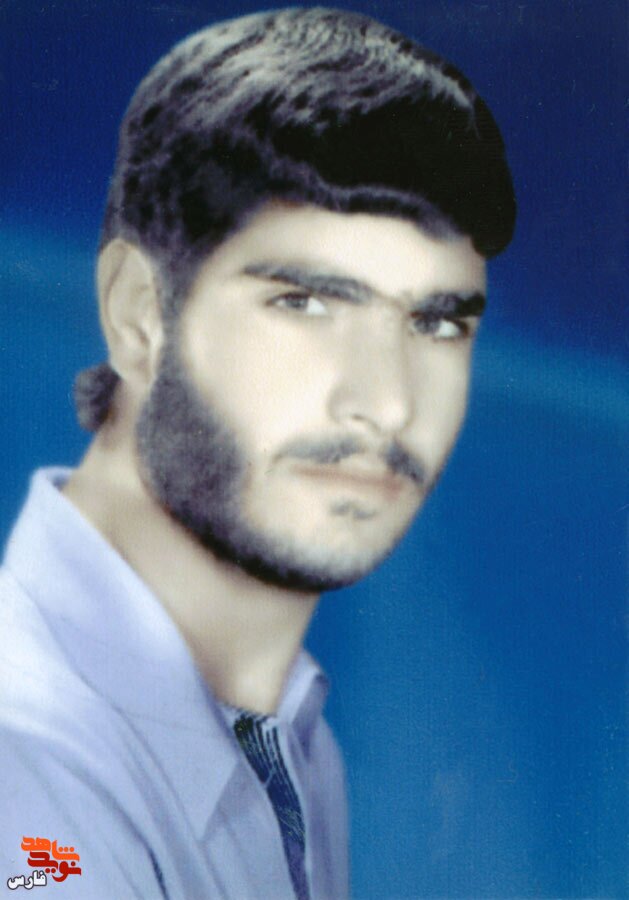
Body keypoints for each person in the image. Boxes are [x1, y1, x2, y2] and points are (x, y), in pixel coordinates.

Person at [0, 7, 515, 899]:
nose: (387, 403)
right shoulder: (29, 765)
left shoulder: (290, 741)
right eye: (305, 303)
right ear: (138, 314)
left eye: (435, 323)